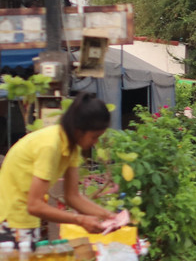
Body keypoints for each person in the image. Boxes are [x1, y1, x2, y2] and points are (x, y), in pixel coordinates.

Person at [0, 92, 118, 243]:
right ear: (79, 130)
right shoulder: (50, 145)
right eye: (94, 137)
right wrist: (81, 220)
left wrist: (109, 216)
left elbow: (73, 197)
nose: (95, 142)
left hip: (24, 222)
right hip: (9, 222)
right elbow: (34, 205)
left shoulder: (72, 148)